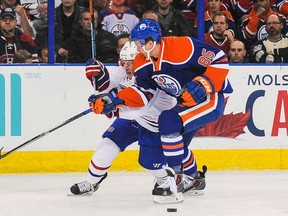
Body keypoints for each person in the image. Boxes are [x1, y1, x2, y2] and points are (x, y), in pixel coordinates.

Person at [91, 19, 232, 201]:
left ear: (150, 42)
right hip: (184, 102)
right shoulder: (142, 62)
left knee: (168, 122)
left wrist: (204, 84)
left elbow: (219, 58)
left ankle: (175, 183)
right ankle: (191, 180)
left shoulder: (181, 46)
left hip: (209, 97)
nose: (137, 49)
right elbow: (144, 93)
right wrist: (114, 100)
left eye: (139, 44)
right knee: (172, 130)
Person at [70, 41, 206, 204]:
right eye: (124, 63)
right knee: (105, 148)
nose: (127, 67)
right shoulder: (121, 71)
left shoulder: (150, 76)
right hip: (132, 119)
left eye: (131, 63)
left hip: (154, 125)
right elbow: (108, 88)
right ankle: (91, 183)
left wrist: (110, 109)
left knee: (155, 160)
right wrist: (99, 80)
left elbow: (140, 108)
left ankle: (184, 179)